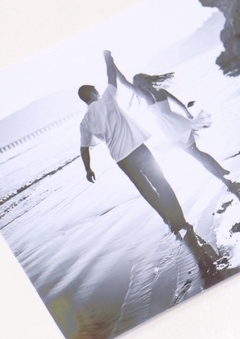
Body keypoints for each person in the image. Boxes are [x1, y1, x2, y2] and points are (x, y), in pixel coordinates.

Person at [78, 50, 192, 235]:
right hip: (138, 149)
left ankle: (169, 221)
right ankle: (180, 220)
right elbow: (111, 76)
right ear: (93, 92)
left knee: (146, 190)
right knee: (160, 182)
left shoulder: (84, 122)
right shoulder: (107, 99)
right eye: (96, 90)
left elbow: (84, 149)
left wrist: (88, 169)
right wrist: (108, 58)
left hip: (121, 158)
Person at [109, 54, 240, 195]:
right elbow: (179, 103)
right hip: (178, 124)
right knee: (198, 153)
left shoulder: (146, 96)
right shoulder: (160, 91)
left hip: (173, 130)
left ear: (141, 84)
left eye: (138, 85)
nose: (138, 88)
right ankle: (222, 173)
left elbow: (123, 82)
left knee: (197, 156)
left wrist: (111, 62)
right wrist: (187, 114)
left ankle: (225, 180)